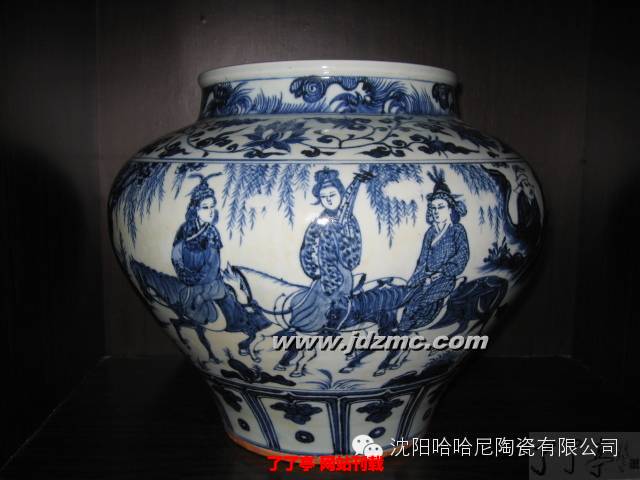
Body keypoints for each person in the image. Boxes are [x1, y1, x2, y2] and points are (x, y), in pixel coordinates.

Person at [289, 168, 363, 332]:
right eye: (323, 197)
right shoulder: (317, 222)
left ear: (341, 194)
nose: (328, 200)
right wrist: (314, 270)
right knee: (305, 304)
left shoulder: (348, 222)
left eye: (332, 195)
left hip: (341, 276)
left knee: (326, 308)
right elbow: (307, 248)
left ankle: (328, 330)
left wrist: (343, 235)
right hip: (322, 275)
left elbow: (353, 257)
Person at [399, 167, 470, 331]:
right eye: (433, 208)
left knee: (422, 304)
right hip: (426, 278)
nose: (436, 212)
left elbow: (462, 256)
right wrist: (415, 280)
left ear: (450, 209)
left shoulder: (457, 230)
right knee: (407, 300)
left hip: (445, 278)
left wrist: (443, 271)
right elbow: (422, 260)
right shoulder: (430, 232)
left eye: (441, 207)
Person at [171, 173, 226, 326]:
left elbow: (213, 265)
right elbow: (176, 254)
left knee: (217, 291)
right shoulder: (184, 229)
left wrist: (198, 279)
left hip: (208, 280)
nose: (211, 211)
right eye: (205, 207)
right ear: (195, 209)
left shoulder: (212, 232)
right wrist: (183, 273)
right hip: (186, 276)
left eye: (212, 207)